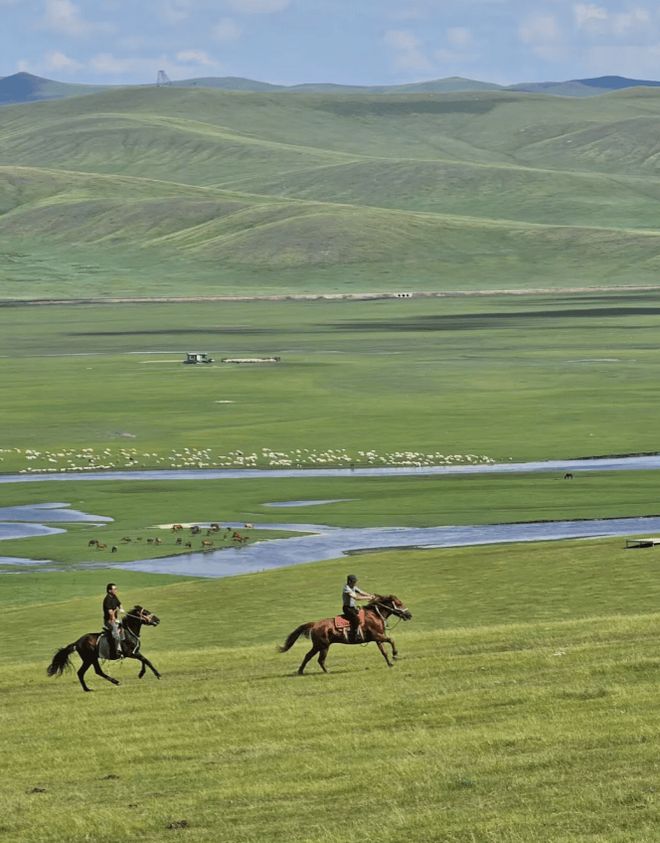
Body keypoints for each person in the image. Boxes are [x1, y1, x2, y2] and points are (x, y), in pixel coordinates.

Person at [342, 574, 375, 643]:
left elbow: (361, 592)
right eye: (354, 581)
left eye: (355, 581)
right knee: (356, 619)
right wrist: (368, 598)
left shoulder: (353, 587)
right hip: (347, 608)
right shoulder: (347, 588)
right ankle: (353, 636)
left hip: (352, 607)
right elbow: (356, 597)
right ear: (349, 581)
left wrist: (370, 595)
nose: (355, 583)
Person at [103, 582, 125, 658]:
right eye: (114, 589)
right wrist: (115, 621)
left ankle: (123, 645)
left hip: (115, 619)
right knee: (116, 632)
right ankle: (117, 650)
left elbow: (119, 604)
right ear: (109, 590)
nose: (116, 590)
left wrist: (121, 608)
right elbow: (111, 613)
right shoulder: (107, 600)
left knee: (124, 627)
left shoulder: (114, 596)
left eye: (116, 588)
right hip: (109, 621)